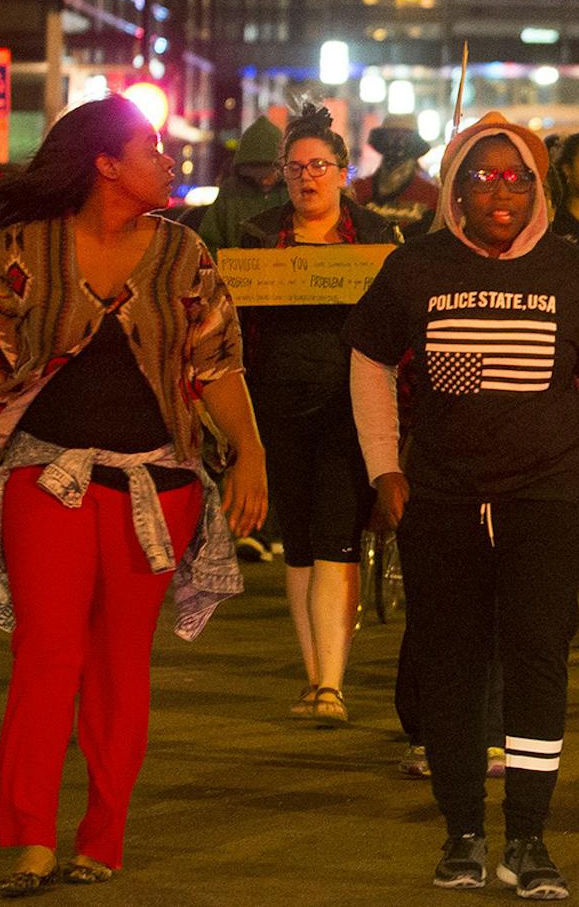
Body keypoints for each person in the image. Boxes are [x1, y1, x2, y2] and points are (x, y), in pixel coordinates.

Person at [0, 95, 267, 894]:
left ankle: (103, 835)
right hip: (43, 477)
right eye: (152, 146)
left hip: (156, 484)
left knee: (123, 665)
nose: (169, 158)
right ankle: (32, 839)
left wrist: (250, 452)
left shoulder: (186, 255)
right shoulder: (24, 248)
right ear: (106, 164)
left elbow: (217, 366)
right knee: (47, 656)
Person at [345, 112, 579, 898]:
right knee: (451, 664)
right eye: (482, 176)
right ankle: (462, 834)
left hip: (545, 499)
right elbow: (368, 360)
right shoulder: (415, 266)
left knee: (540, 663)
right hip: (440, 503)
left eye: (516, 177)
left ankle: (532, 838)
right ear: (454, 187)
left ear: (538, 187)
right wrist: (385, 468)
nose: (499, 191)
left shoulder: (575, 273)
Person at [238, 105, 400, 727]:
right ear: (282, 173)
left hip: (350, 408)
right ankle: (314, 677)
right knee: (300, 544)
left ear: (343, 172)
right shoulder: (256, 237)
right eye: (297, 167)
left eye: (320, 167)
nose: (308, 178)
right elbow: (241, 332)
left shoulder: (378, 237)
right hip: (278, 408)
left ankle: (332, 682)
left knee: (337, 536)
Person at [193, 116, 288, 251]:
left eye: (269, 173)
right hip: (234, 270)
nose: (264, 180)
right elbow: (209, 244)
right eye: (256, 173)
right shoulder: (230, 194)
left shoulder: (291, 192)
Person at [354, 122, 442, 240]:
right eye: (392, 137)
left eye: (404, 138)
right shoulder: (358, 190)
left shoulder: (432, 194)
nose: (397, 143)